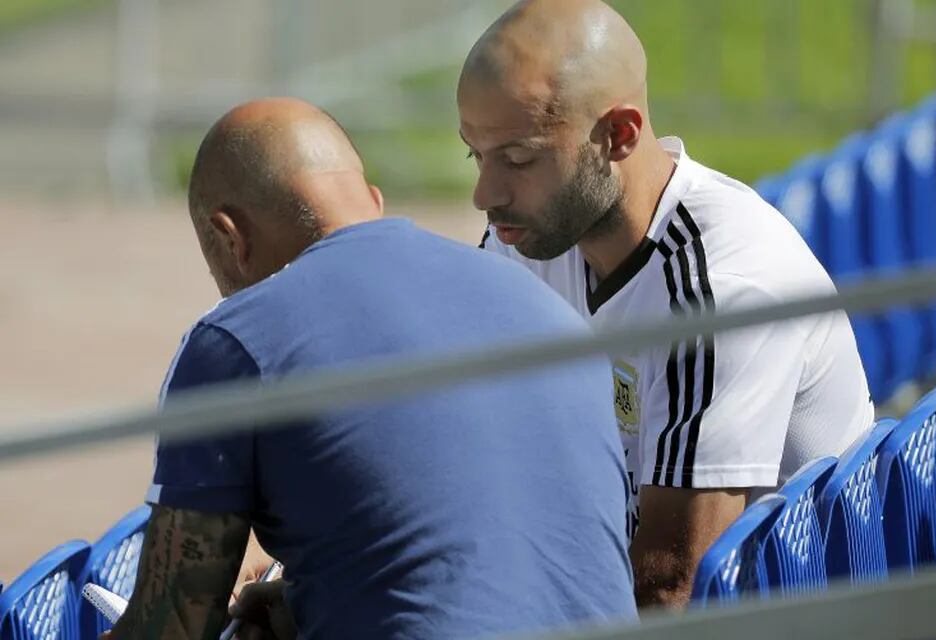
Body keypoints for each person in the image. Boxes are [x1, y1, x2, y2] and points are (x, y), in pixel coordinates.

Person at [105, 97, 637, 639]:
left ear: (229, 237)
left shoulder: (235, 340)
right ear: (372, 203)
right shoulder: (544, 307)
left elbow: (172, 627)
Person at [457, 0, 875, 608]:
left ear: (619, 135)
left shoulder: (722, 291)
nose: (484, 195)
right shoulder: (527, 234)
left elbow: (671, 589)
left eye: (519, 158)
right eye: (476, 153)